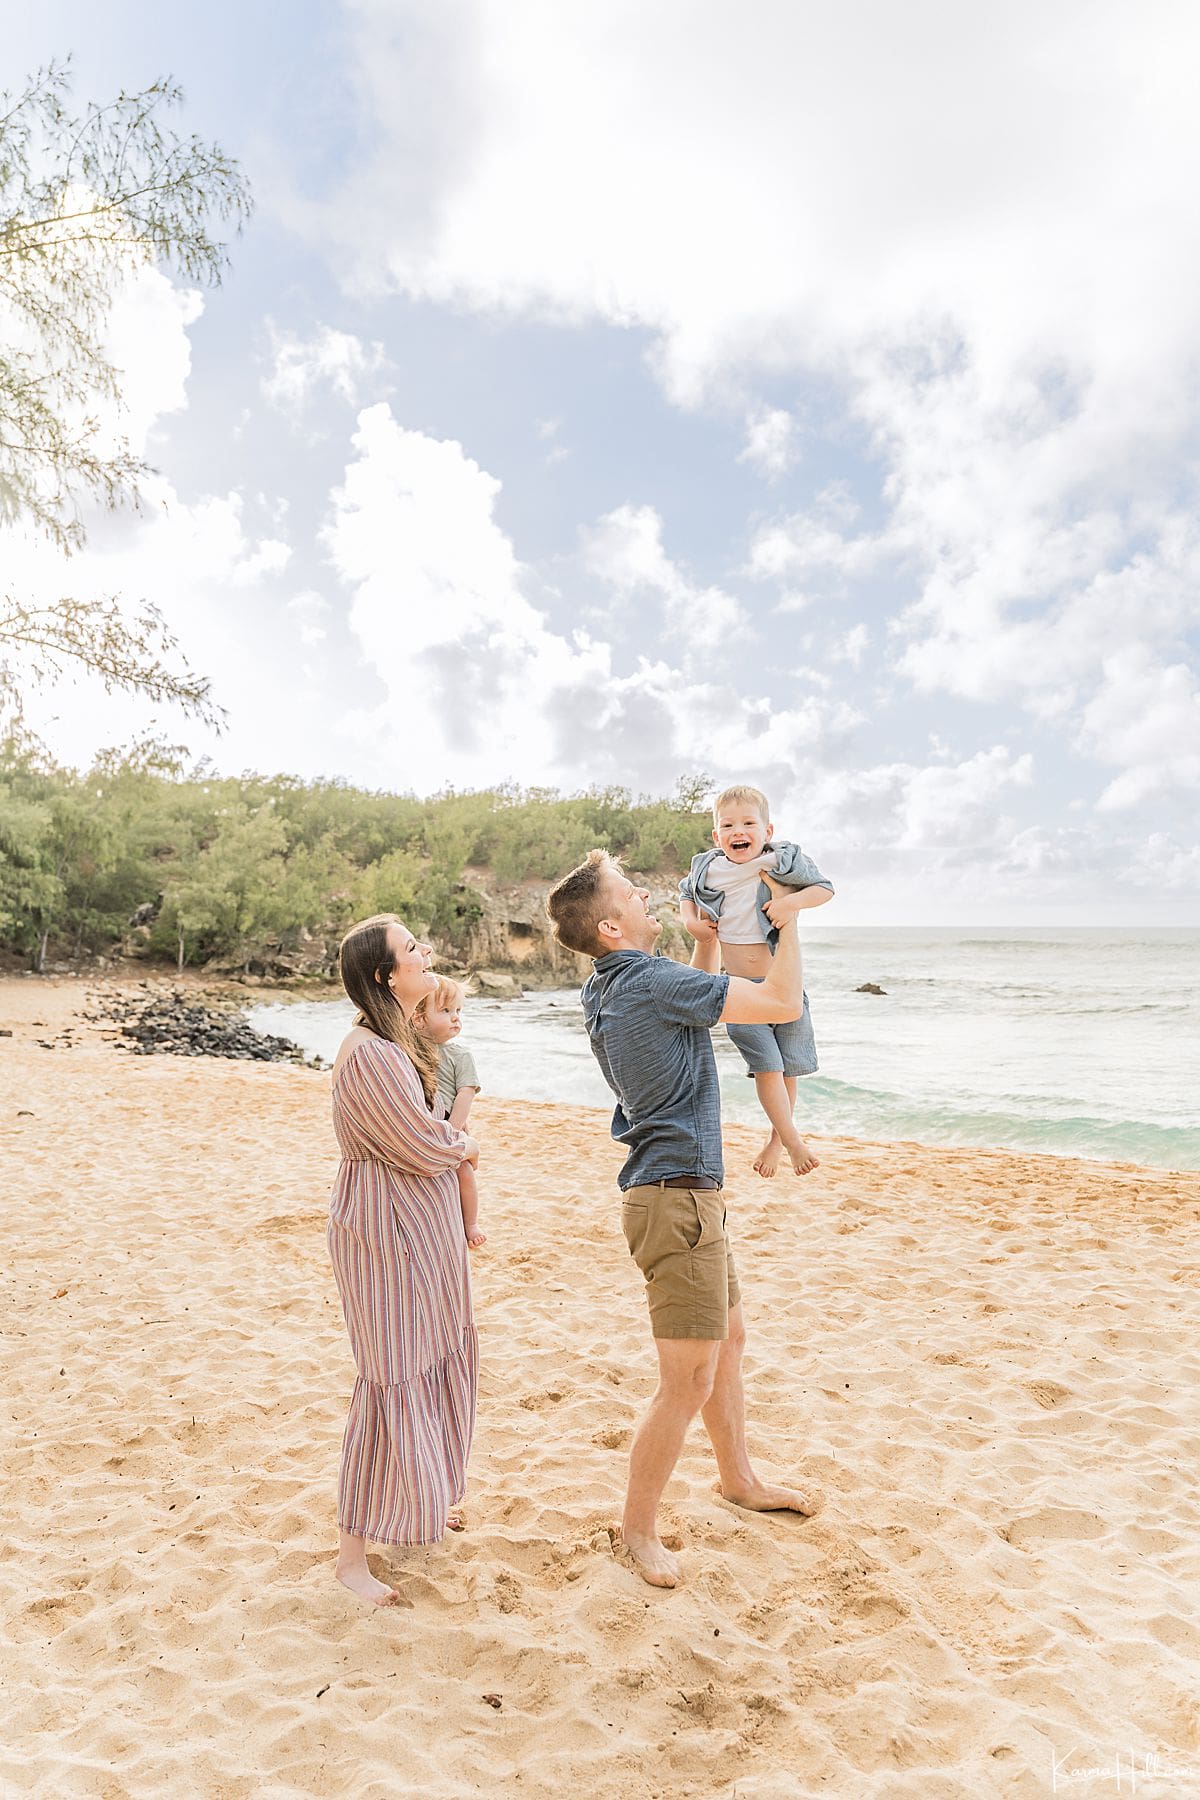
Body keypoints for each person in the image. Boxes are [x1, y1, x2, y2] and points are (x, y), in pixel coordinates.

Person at [546, 850, 818, 1590]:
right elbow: (781, 1001)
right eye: (631, 893)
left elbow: (687, 1001)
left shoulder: (610, 985)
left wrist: (701, 940)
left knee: (727, 1340)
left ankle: (738, 1479)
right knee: (687, 1377)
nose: (644, 893)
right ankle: (637, 1530)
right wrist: (787, 917)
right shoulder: (649, 983)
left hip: (678, 1194)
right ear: (610, 926)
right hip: (677, 1200)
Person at [327, 913, 480, 1607]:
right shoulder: (371, 1053)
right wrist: (464, 1147)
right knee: (390, 1374)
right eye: (413, 948)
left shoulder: (396, 1041)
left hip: (420, 1229)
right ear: (387, 976)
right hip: (386, 1233)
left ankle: (419, 1496)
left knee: (430, 1356)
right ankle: (351, 1557)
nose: (427, 952)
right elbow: (419, 1146)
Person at [679, 784, 833, 1179]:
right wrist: (693, 923)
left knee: (789, 1069)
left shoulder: (782, 860)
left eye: (748, 823)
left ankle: (777, 1140)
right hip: (741, 991)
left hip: (784, 983)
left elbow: (823, 889)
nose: (737, 831)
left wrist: (788, 903)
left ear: (767, 830)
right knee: (768, 1069)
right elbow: (685, 894)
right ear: (717, 836)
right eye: (727, 825)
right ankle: (795, 1142)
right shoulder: (709, 868)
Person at [414, 975, 486, 1248]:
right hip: (423, 1119)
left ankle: (470, 1223)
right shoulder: (411, 1049)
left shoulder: (460, 1055)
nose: (456, 1018)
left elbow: (465, 1094)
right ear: (418, 1018)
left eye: (458, 1011)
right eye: (445, 1011)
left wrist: (453, 1130)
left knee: (464, 1172)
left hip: (450, 1122)